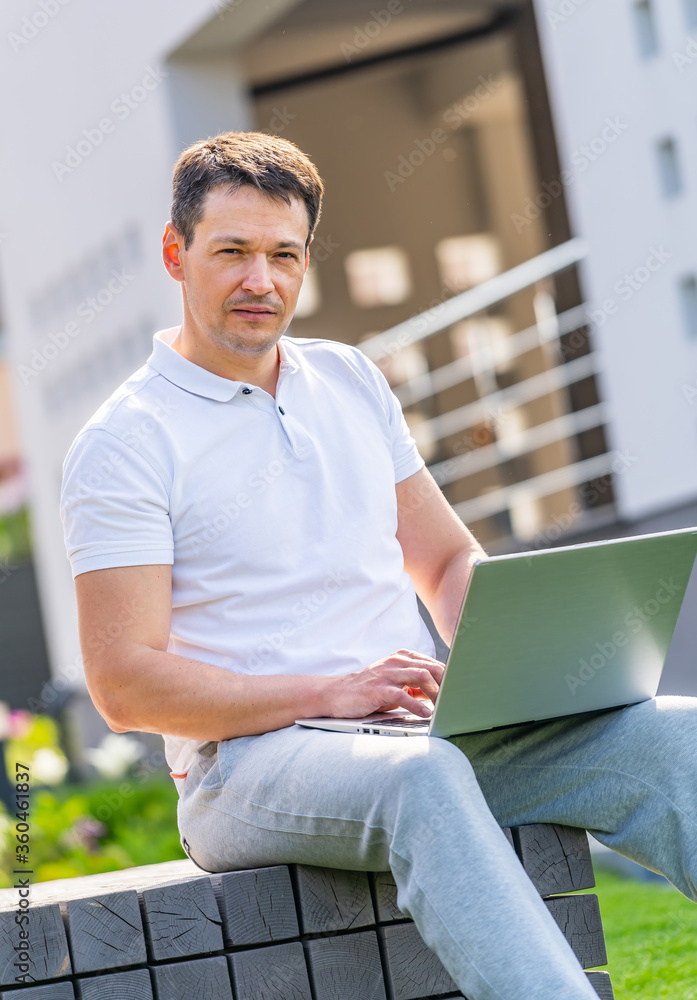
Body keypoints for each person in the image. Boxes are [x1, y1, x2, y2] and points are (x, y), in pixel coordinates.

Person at [61, 131, 697, 1000]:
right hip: (247, 771)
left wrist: (522, 662)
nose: (262, 281)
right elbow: (122, 683)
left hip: (409, 734)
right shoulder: (124, 441)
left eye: (284, 255)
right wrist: (326, 694)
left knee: (669, 734)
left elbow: (441, 561)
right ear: (176, 253)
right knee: (425, 779)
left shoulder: (348, 379)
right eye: (232, 252)